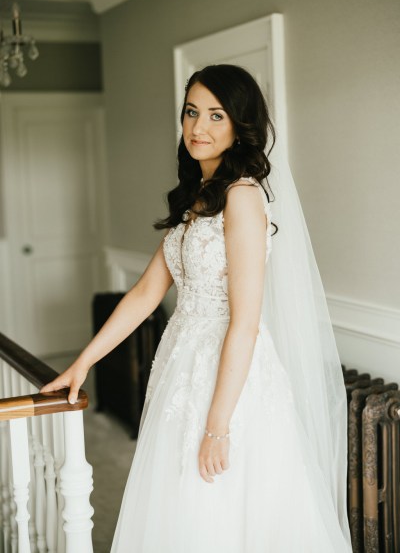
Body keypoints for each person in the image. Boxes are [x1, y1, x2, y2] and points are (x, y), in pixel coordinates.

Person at [41, 64, 353, 552]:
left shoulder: (243, 198)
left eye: (215, 115)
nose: (198, 128)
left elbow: (245, 323)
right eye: (191, 112)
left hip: (229, 380)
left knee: (221, 505)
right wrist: (83, 363)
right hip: (182, 367)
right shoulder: (198, 200)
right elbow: (145, 294)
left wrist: (218, 426)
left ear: (239, 126)